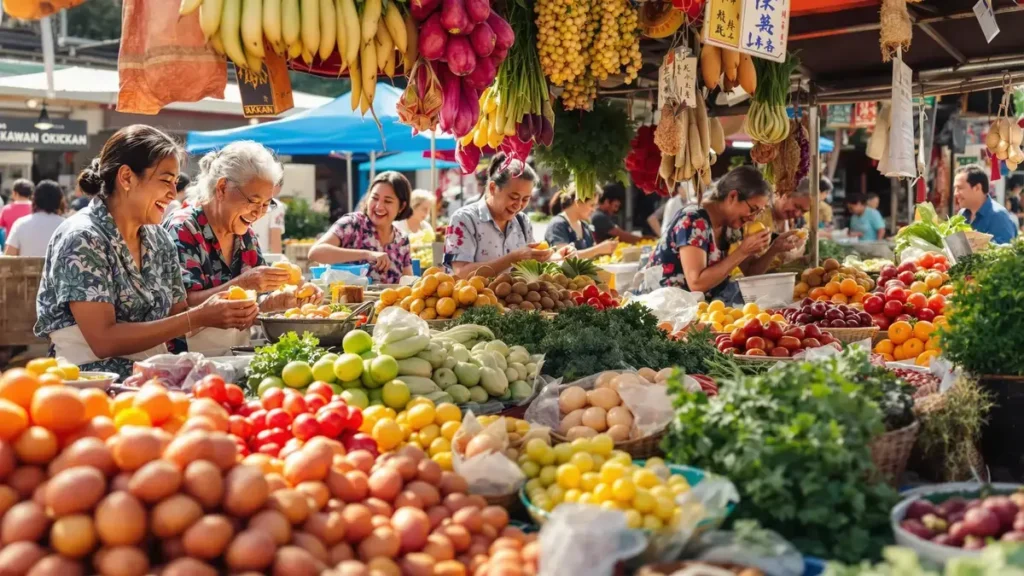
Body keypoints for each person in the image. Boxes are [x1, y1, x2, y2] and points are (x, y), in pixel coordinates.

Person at [34, 125, 255, 379]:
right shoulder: (83, 237)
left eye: (175, 182)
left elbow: (177, 317)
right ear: (126, 177)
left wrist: (222, 309)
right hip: (87, 384)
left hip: (150, 379)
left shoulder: (159, 239)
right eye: (165, 180)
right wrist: (198, 317)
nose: (173, 193)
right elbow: (104, 340)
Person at [164, 141, 322, 355]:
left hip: (233, 356)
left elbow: (252, 303)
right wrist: (242, 283)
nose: (259, 213)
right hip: (186, 362)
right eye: (253, 201)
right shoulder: (183, 228)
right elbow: (180, 306)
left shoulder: (244, 234)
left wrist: (276, 302)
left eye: (266, 204)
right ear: (221, 188)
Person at [642, 166, 802, 300]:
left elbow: (751, 272)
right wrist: (742, 251)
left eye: (758, 212)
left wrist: (775, 248)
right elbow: (697, 283)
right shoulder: (693, 219)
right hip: (662, 311)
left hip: (697, 312)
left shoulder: (732, 226)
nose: (753, 218)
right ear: (732, 196)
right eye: (753, 209)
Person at [443, 153, 555, 276]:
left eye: (525, 199)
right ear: (493, 188)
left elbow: (532, 266)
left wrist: (555, 256)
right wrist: (512, 259)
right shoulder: (464, 219)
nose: (518, 205)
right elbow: (461, 272)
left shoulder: (523, 222)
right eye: (514, 197)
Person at [308, 171, 414, 284]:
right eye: (375, 198)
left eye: (387, 201)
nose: (379, 206)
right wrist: (366, 254)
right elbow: (315, 253)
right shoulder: (353, 224)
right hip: (345, 301)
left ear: (401, 207)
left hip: (389, 302)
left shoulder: (402, 240)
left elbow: (408, 283)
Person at [545, 184, 617, 258]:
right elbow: (563, 257)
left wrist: (607, 250)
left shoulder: (585, 226)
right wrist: (598, 249)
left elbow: (592, 256)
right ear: (578, 201)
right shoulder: (558, 225)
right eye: (592, 205)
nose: (594, 210)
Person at [954, 165, 1018, 244]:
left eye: (960, 188)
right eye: (955, 188)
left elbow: (1006, 252)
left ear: (977, 188)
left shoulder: (998, 216)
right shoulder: (962, 214)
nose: (955, 193)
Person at [3, 180, 65, 257]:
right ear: (59, 201)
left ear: (35, 199)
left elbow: (8, 257)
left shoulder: (21, 224)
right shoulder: (67, 225)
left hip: (26, 269)